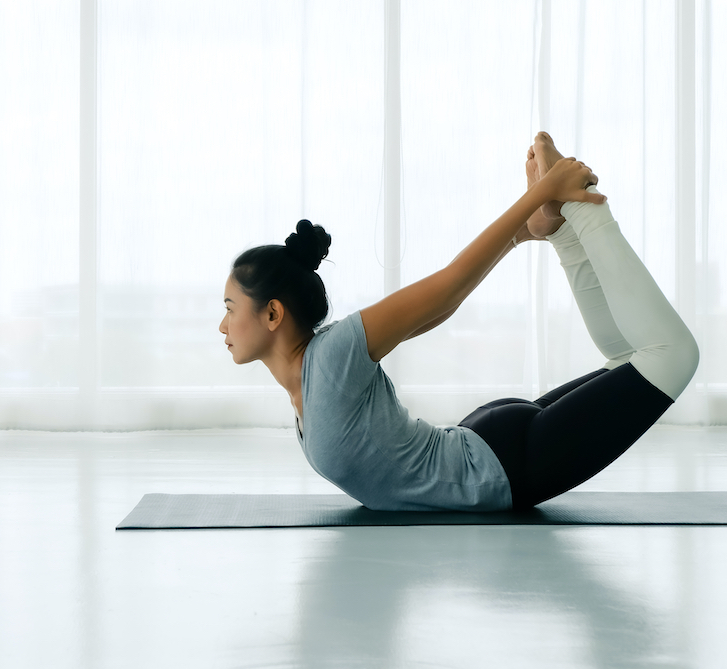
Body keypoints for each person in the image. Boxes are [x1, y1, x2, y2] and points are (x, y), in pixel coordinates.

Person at [219, 132, 700, 511]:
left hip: (505, 467)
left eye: (229, 309)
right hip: (486, 450)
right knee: (630, 363)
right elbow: (433, 315)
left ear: (273, 313)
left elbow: (448, 288)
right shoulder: (309, 387)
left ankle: (577, 201)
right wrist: (526, 230)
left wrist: (538, 197)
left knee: (670, 357)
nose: (222, 327)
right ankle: (561, 229)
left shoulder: (332, 357)